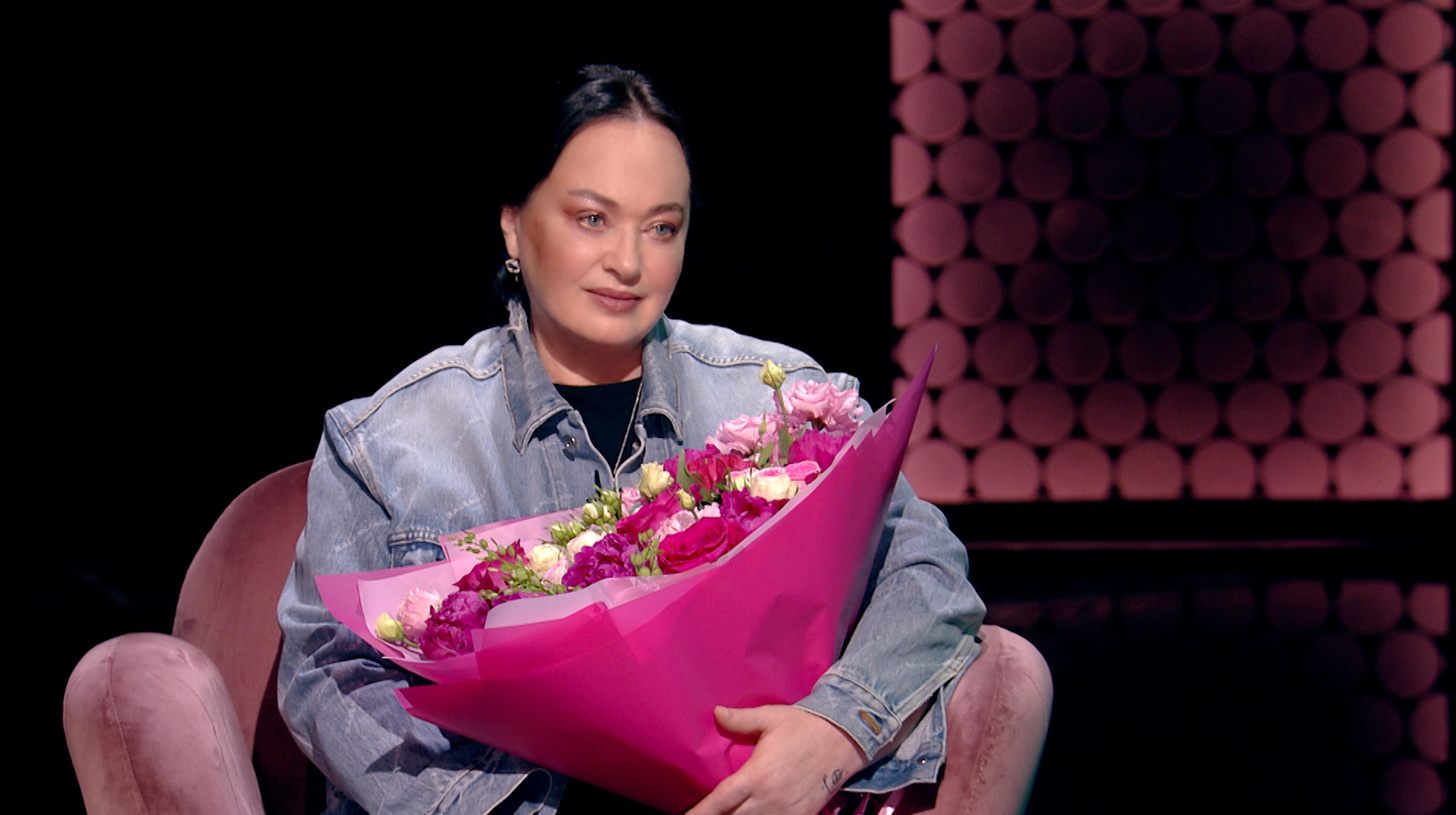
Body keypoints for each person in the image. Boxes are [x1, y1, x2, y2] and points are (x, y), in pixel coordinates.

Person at [277, 64, 986, 815]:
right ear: (513, 222)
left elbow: (928, 570)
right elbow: (327, 673)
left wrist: (835, 728)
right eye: (592, 219)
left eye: (661, 228)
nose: (628, 262)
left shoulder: (779, 399)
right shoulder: (391, 440)